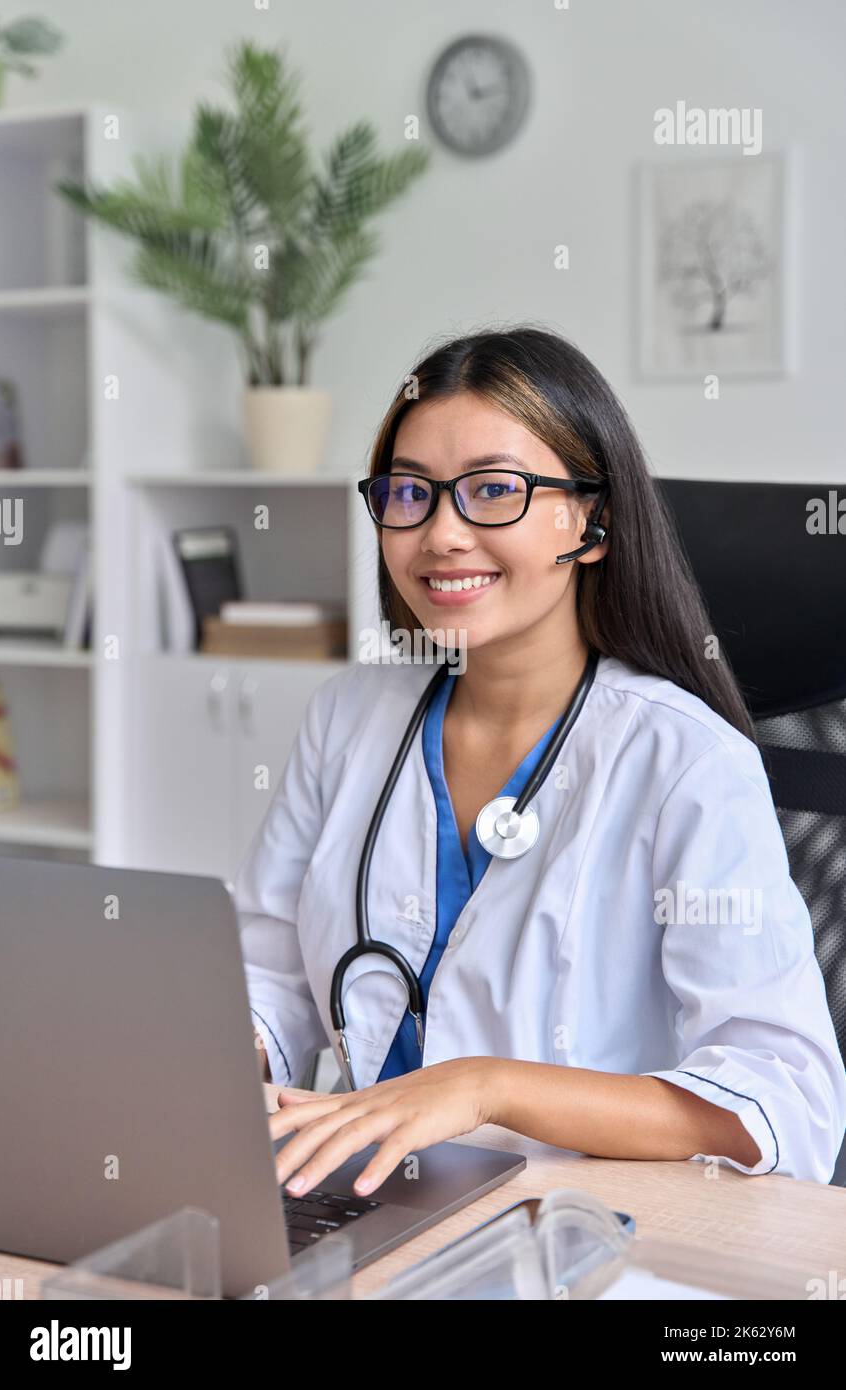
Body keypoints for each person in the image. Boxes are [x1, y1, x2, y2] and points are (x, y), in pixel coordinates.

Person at [235, 326, 846, 1200]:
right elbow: (273, 973)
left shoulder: (683, 759)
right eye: (410, 493)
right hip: (368, 1202)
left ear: (591, 525)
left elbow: (784, 1098)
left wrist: (488, 1087)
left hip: (585, 1230)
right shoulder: (346, 718)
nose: (441, 533)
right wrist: (234, 1055)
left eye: (493, 490)